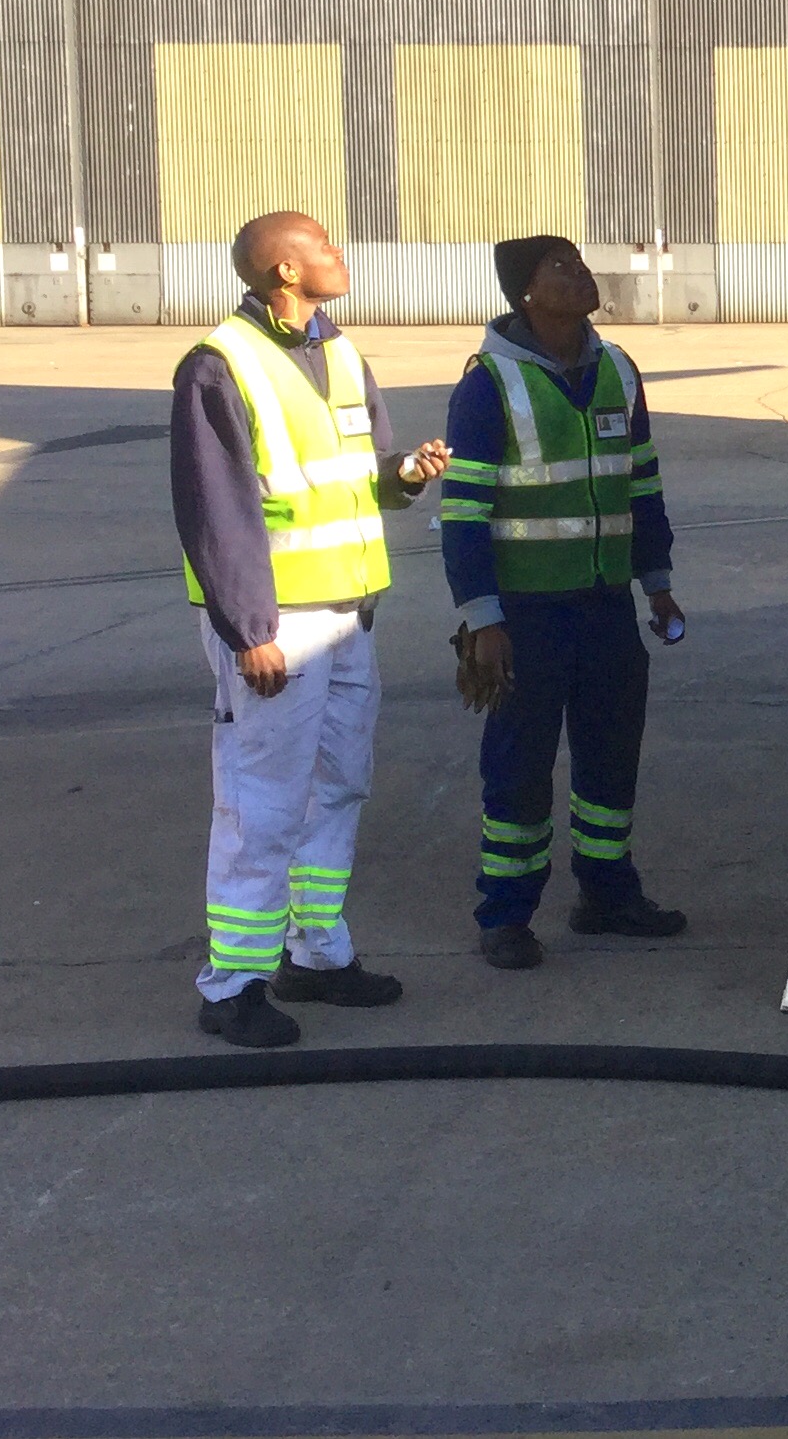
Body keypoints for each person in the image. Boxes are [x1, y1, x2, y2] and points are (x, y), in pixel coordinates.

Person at [170, 209, 450, 1049]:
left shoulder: (340, 351)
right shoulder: (220, 365)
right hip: (278, 626)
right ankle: (233, 983)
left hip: (348, 616)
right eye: (323, 244)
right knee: (260, 803)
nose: (339, 252)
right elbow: (215, 512)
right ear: (284, 271)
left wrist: (404, 476)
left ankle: (317, 953)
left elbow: (365, 474)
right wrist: (248, 629)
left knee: (338, 785)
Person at [440, 234, 688, 970]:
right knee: (518, 766)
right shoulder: (489, 384)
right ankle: (505, 914)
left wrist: (657, 581)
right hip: (526, 615)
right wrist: (483, 618)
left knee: (610, 757)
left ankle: (607, 894)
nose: (581, 274)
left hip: (606, 606)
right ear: (525, 293)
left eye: (580, 263)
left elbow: (642, 483)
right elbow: (463, 514)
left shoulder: (618, 369)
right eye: (561, 267)